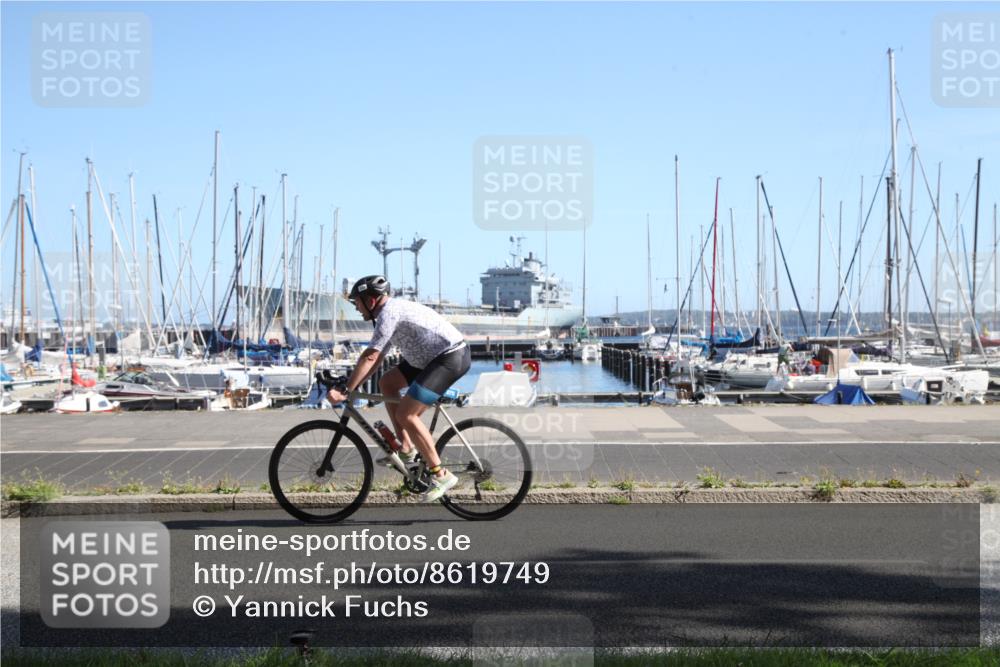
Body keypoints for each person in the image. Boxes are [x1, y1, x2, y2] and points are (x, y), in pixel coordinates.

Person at [325, 275, 471, 502]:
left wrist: (346, 388)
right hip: (426, 360)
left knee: (407, 413)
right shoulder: (387, 314)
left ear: (371, 301)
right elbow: (378, 355)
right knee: (387, 383)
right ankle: (406, 448)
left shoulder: (388, 314)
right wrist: (353, 382)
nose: (356, 309)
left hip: (449, 358)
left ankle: (440, 474)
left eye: (357, 303)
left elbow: (371, 356)